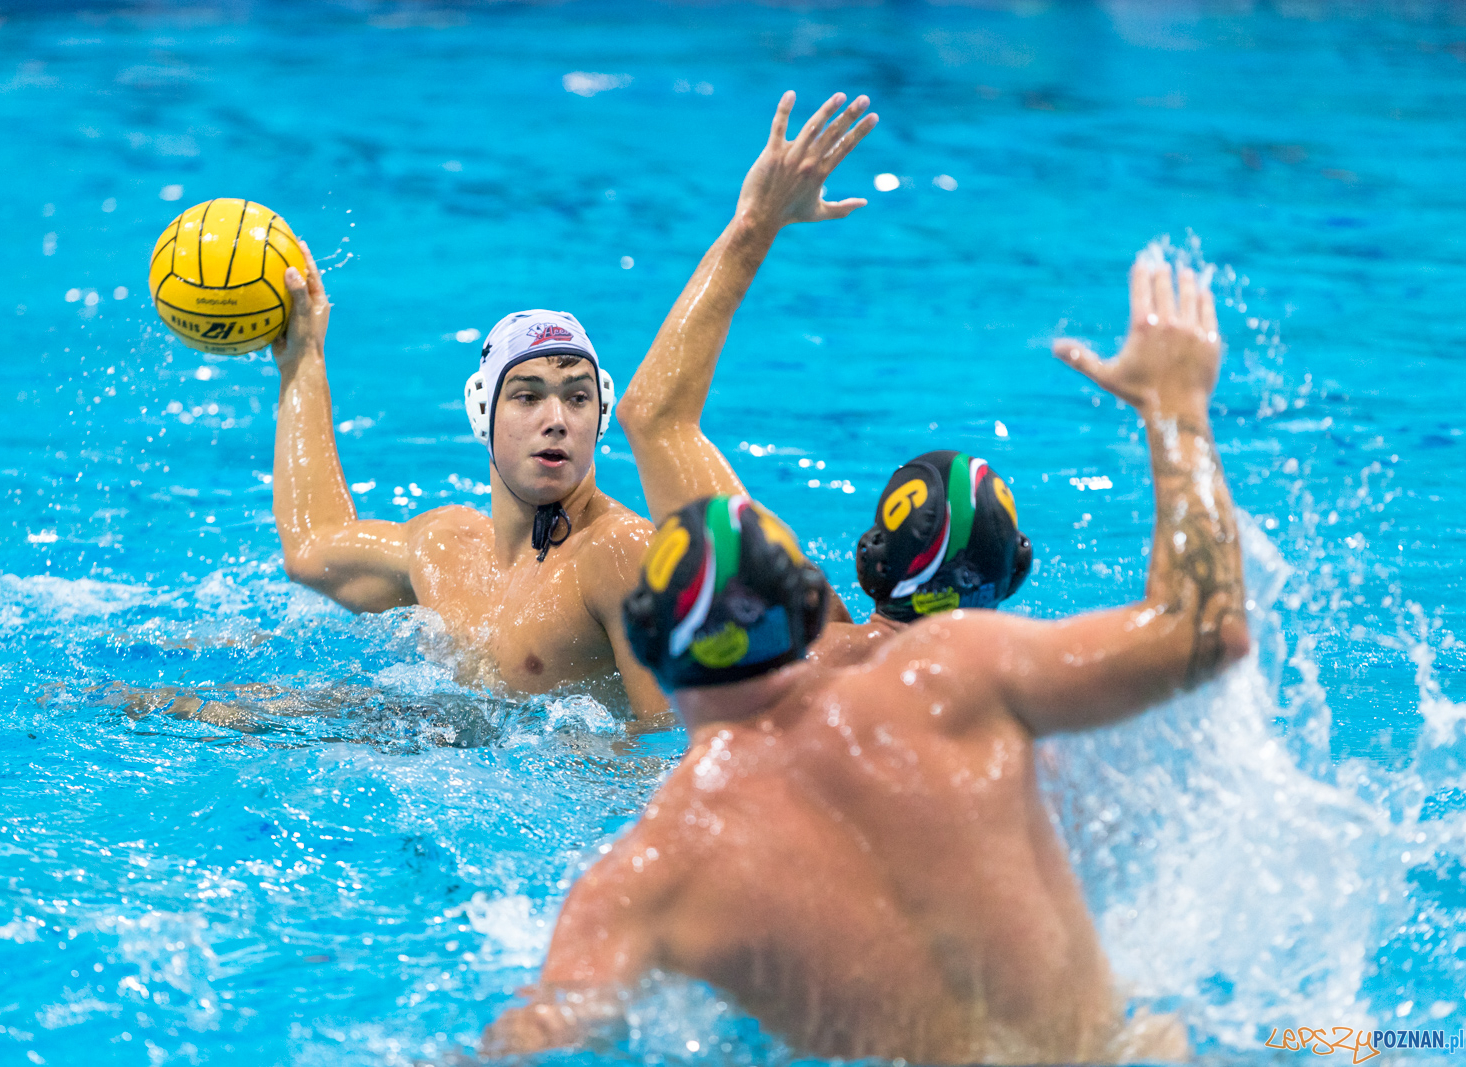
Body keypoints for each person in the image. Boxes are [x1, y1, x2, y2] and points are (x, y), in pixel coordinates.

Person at [485, 247, 1248, 1063]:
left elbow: (535, 1034)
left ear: (652, 652)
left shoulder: (650, 873)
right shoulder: (960, 671)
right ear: (810, 603)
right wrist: (1176, 405)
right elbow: (1208, 630)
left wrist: (755, 224)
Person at [615, 93, 1033, 669]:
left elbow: (655, 415)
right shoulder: (1027, 687)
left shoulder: (798, 656)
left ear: (873, 560)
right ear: (1010, 574)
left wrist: (755, 224)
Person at [268, 251, 666, 718]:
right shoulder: (446, 548)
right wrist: (302, 362)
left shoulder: (620, 554)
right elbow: (311, 548)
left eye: (578, 397)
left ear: (599, 415)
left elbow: (673, 748)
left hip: (564, 783)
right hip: (446, 757)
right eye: (528, 397)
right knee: (220, 709)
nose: (557, 421)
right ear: (483, 413)